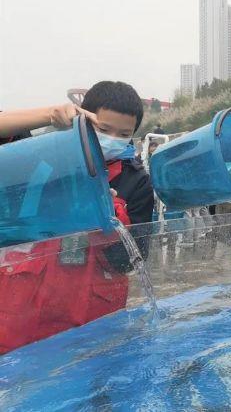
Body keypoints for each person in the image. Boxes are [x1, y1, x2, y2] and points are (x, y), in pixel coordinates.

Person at [0, 81, 154, 354]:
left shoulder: (137, 181)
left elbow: (132, 258)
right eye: (103, 129)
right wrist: (49, 115)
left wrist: (110, 215)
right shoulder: (45, 155)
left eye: (123, 134)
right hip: (24, 301)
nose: (112, 139)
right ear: (83, 119)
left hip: (91, 309)